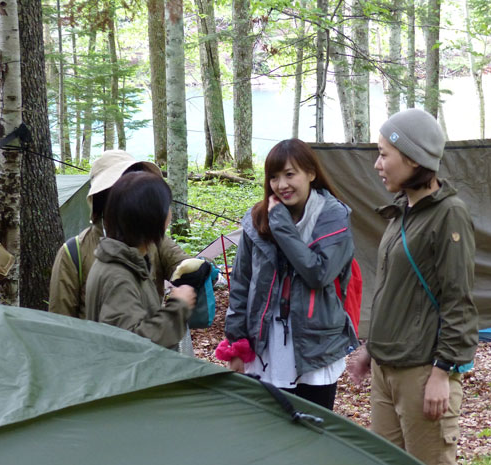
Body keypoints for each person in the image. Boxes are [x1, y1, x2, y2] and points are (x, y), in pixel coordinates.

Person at [346, 109, 478, 465]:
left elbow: (458, 300)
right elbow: (396, 292)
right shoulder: (402, 212)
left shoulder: (449, 214)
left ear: (413, 158)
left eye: (384, 154)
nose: (377, 165)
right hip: (386, 367)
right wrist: (372, 348)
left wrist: (443, 372)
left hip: (423, 371)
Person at [216, 139, 358, 411]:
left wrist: (281, 225)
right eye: (274, 177)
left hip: (316, 346)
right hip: (266, 345)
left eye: (290, 174)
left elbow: (318, 274)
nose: (281, 185)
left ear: (311, 173)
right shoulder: (258, 219)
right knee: (267, 425)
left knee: (312, 425)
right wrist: (236, 342)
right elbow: (242, 284)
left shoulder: (333, 218)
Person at [48, 150, 190, 320]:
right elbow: (61, 323)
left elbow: (184, 266)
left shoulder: (151, 241)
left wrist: (200, 271)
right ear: (103, 199)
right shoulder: (74, 253)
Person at [85, 172, 196, 349]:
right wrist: (178, 308)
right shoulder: (118, 276)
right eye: (167, 206)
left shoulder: (128, 261)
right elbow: (132, 344)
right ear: (154, 217)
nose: (170, 213)